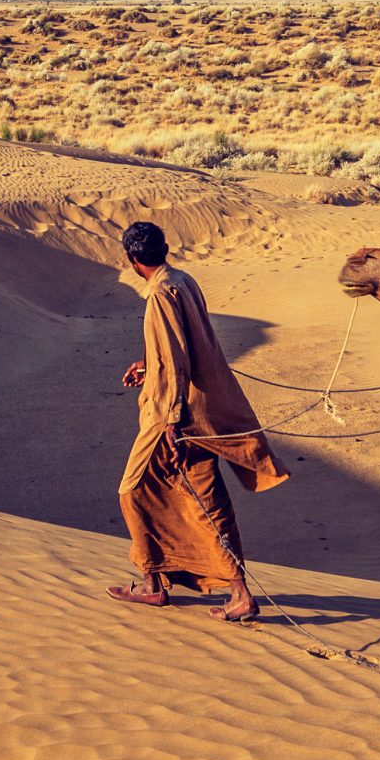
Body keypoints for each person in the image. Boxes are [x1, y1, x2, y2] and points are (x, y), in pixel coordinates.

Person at [106, 219, 287, 622]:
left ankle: (226, 592)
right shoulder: (182, 279)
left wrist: (171, 418)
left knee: (135, 490)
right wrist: (148, 365)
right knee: (195, 496)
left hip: (178, 415)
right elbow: (181, 349)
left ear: (133, 260)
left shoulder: (159, 294)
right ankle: (156, 583)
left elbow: (175, 357)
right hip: (197, 407)